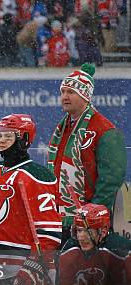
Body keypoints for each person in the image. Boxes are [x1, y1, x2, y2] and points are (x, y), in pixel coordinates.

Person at [0, 114, 62, 285]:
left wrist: (34, 265)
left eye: (8, 136)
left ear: (24, 139)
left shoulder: (37, 175)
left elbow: (49, 230)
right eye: (0, 135)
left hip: (20, 266)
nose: (1, 140)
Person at [47, 63, 126, 244]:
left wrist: (91, 215)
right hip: (61, 218)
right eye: (63, 92)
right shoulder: (63, 128)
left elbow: (111, 178)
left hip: (90, 223)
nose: (64, 97)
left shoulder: (104, 130)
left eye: (71, 92)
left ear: (85, 96)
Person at [59, 204, 130, 285]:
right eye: (79, 230)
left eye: (88, 232)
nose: (81, 237)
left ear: (103, 232)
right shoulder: (70, 250)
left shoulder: (120, 251)